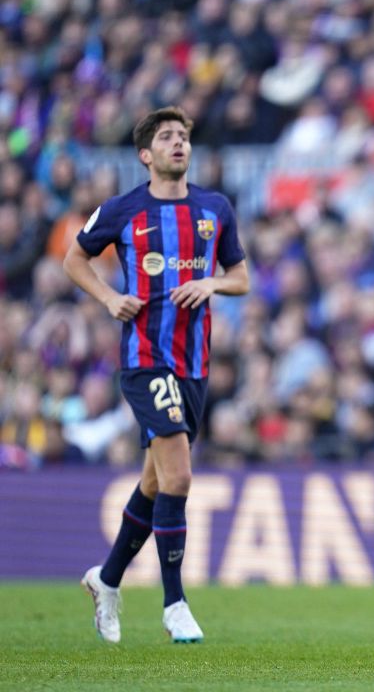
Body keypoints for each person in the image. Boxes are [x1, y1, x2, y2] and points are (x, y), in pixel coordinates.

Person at [64, 107, 250, 643]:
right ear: (146, 155)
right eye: (167, 137)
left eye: (184, 136)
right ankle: (175, 603)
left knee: (156, 481)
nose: (178, 143)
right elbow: (75, 259)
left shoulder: (215, 208)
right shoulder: (124, 210)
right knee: (181, 477)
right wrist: (108, 297)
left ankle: (107, 579)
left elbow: (240, 277)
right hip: (146, 361)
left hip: (195, 365)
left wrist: (212, 285)